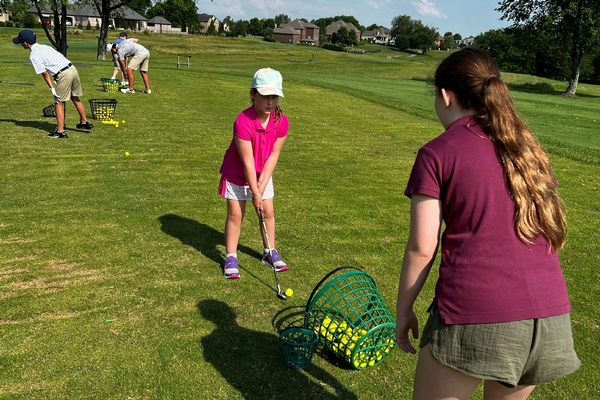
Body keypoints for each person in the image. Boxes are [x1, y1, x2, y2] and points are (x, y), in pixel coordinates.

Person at [395, 48, 580, 400]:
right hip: (549, 315)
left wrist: (403, 312)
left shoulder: (437, 152)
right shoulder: (527, 149)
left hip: (475, 312)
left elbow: (422, 248)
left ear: (445, 95)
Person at [218, 68, 289, 279]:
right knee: (236, 214)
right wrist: (255, 194)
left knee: (267, 212)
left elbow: (273, 156)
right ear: (252, 94)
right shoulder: (243, 121)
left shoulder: (281, 121)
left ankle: (269, 252)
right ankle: (231, 256)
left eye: (274, 96)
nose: (270, 102)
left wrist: (262, 185)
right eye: (265, 96)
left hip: (262, 173)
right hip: (237, 172)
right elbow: (247, 161)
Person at [13, 29, 93, 139]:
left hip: (64, 74)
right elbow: (62, 56)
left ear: (25, 43)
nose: (21, 44)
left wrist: (52, 90)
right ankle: (84, 122)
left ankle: (60, 132)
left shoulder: (33, 55)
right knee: (75, 96)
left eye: (21, 42)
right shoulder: (45, 46)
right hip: (72, 68)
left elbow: (45, 73)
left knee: (58, 102)